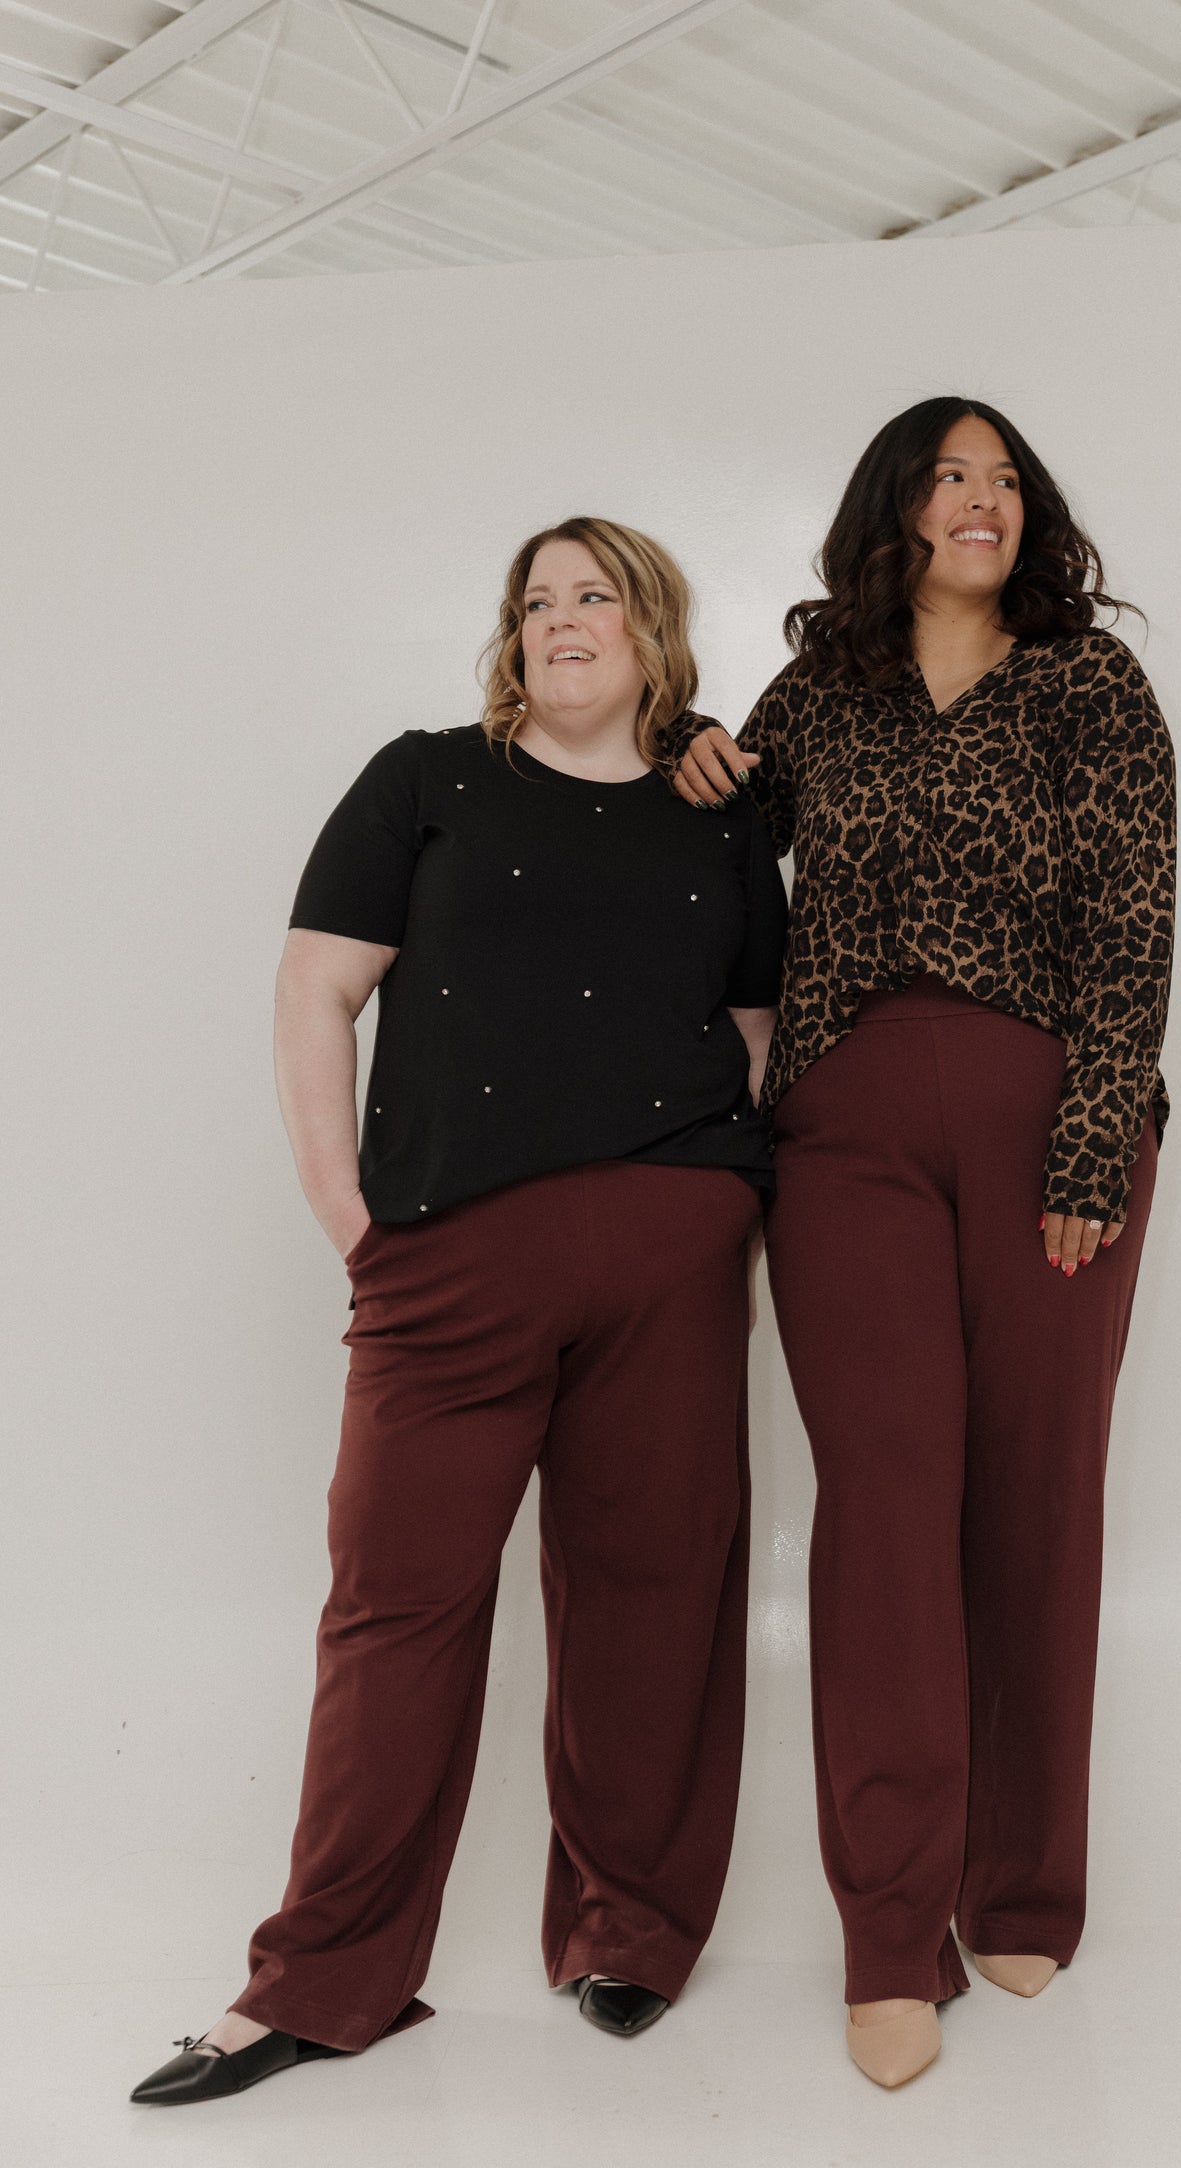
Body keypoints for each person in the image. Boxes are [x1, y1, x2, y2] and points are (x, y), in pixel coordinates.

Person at [130, 517, 787, 2107]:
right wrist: (346, 1214)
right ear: (512, 637)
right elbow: (314, 990)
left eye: (594, 596)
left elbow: (758, 1026)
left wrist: (716, 1204)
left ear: (652, 629)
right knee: (393, 1609)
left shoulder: (722, 815)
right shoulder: (424, 780)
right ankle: (321, 1978)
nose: (562, 620)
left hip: (668, 1245)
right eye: (536, 599)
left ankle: (628, 1930)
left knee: (652, 1596)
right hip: (444, 1254)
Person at [668, 398, 1176, 2088]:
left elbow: (1131, 914)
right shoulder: (822, 690)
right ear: (894, 508)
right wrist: (701, 768)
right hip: (845, 1133)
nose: (984, 501)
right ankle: (891, 1928)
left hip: (1055, 1127)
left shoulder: (1087, 683)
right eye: (952, 477)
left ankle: (1021, 1882)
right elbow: (723, 834)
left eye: (1006, 480)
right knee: (882, 1510)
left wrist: (1093, 1145)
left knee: (1035, 1491)